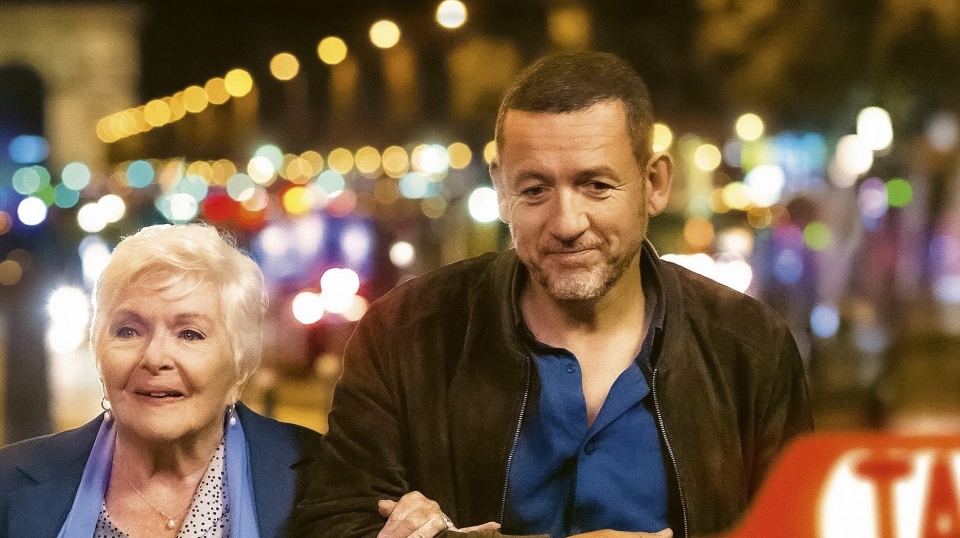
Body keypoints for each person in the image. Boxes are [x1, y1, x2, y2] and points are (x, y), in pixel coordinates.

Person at [291, 51, 813, 538]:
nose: (566, 224)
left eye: (596, 186)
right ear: (502, 190)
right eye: (535, 190)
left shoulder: (750, 349)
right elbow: (334, 522)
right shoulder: (404, 336)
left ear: (654, 183)